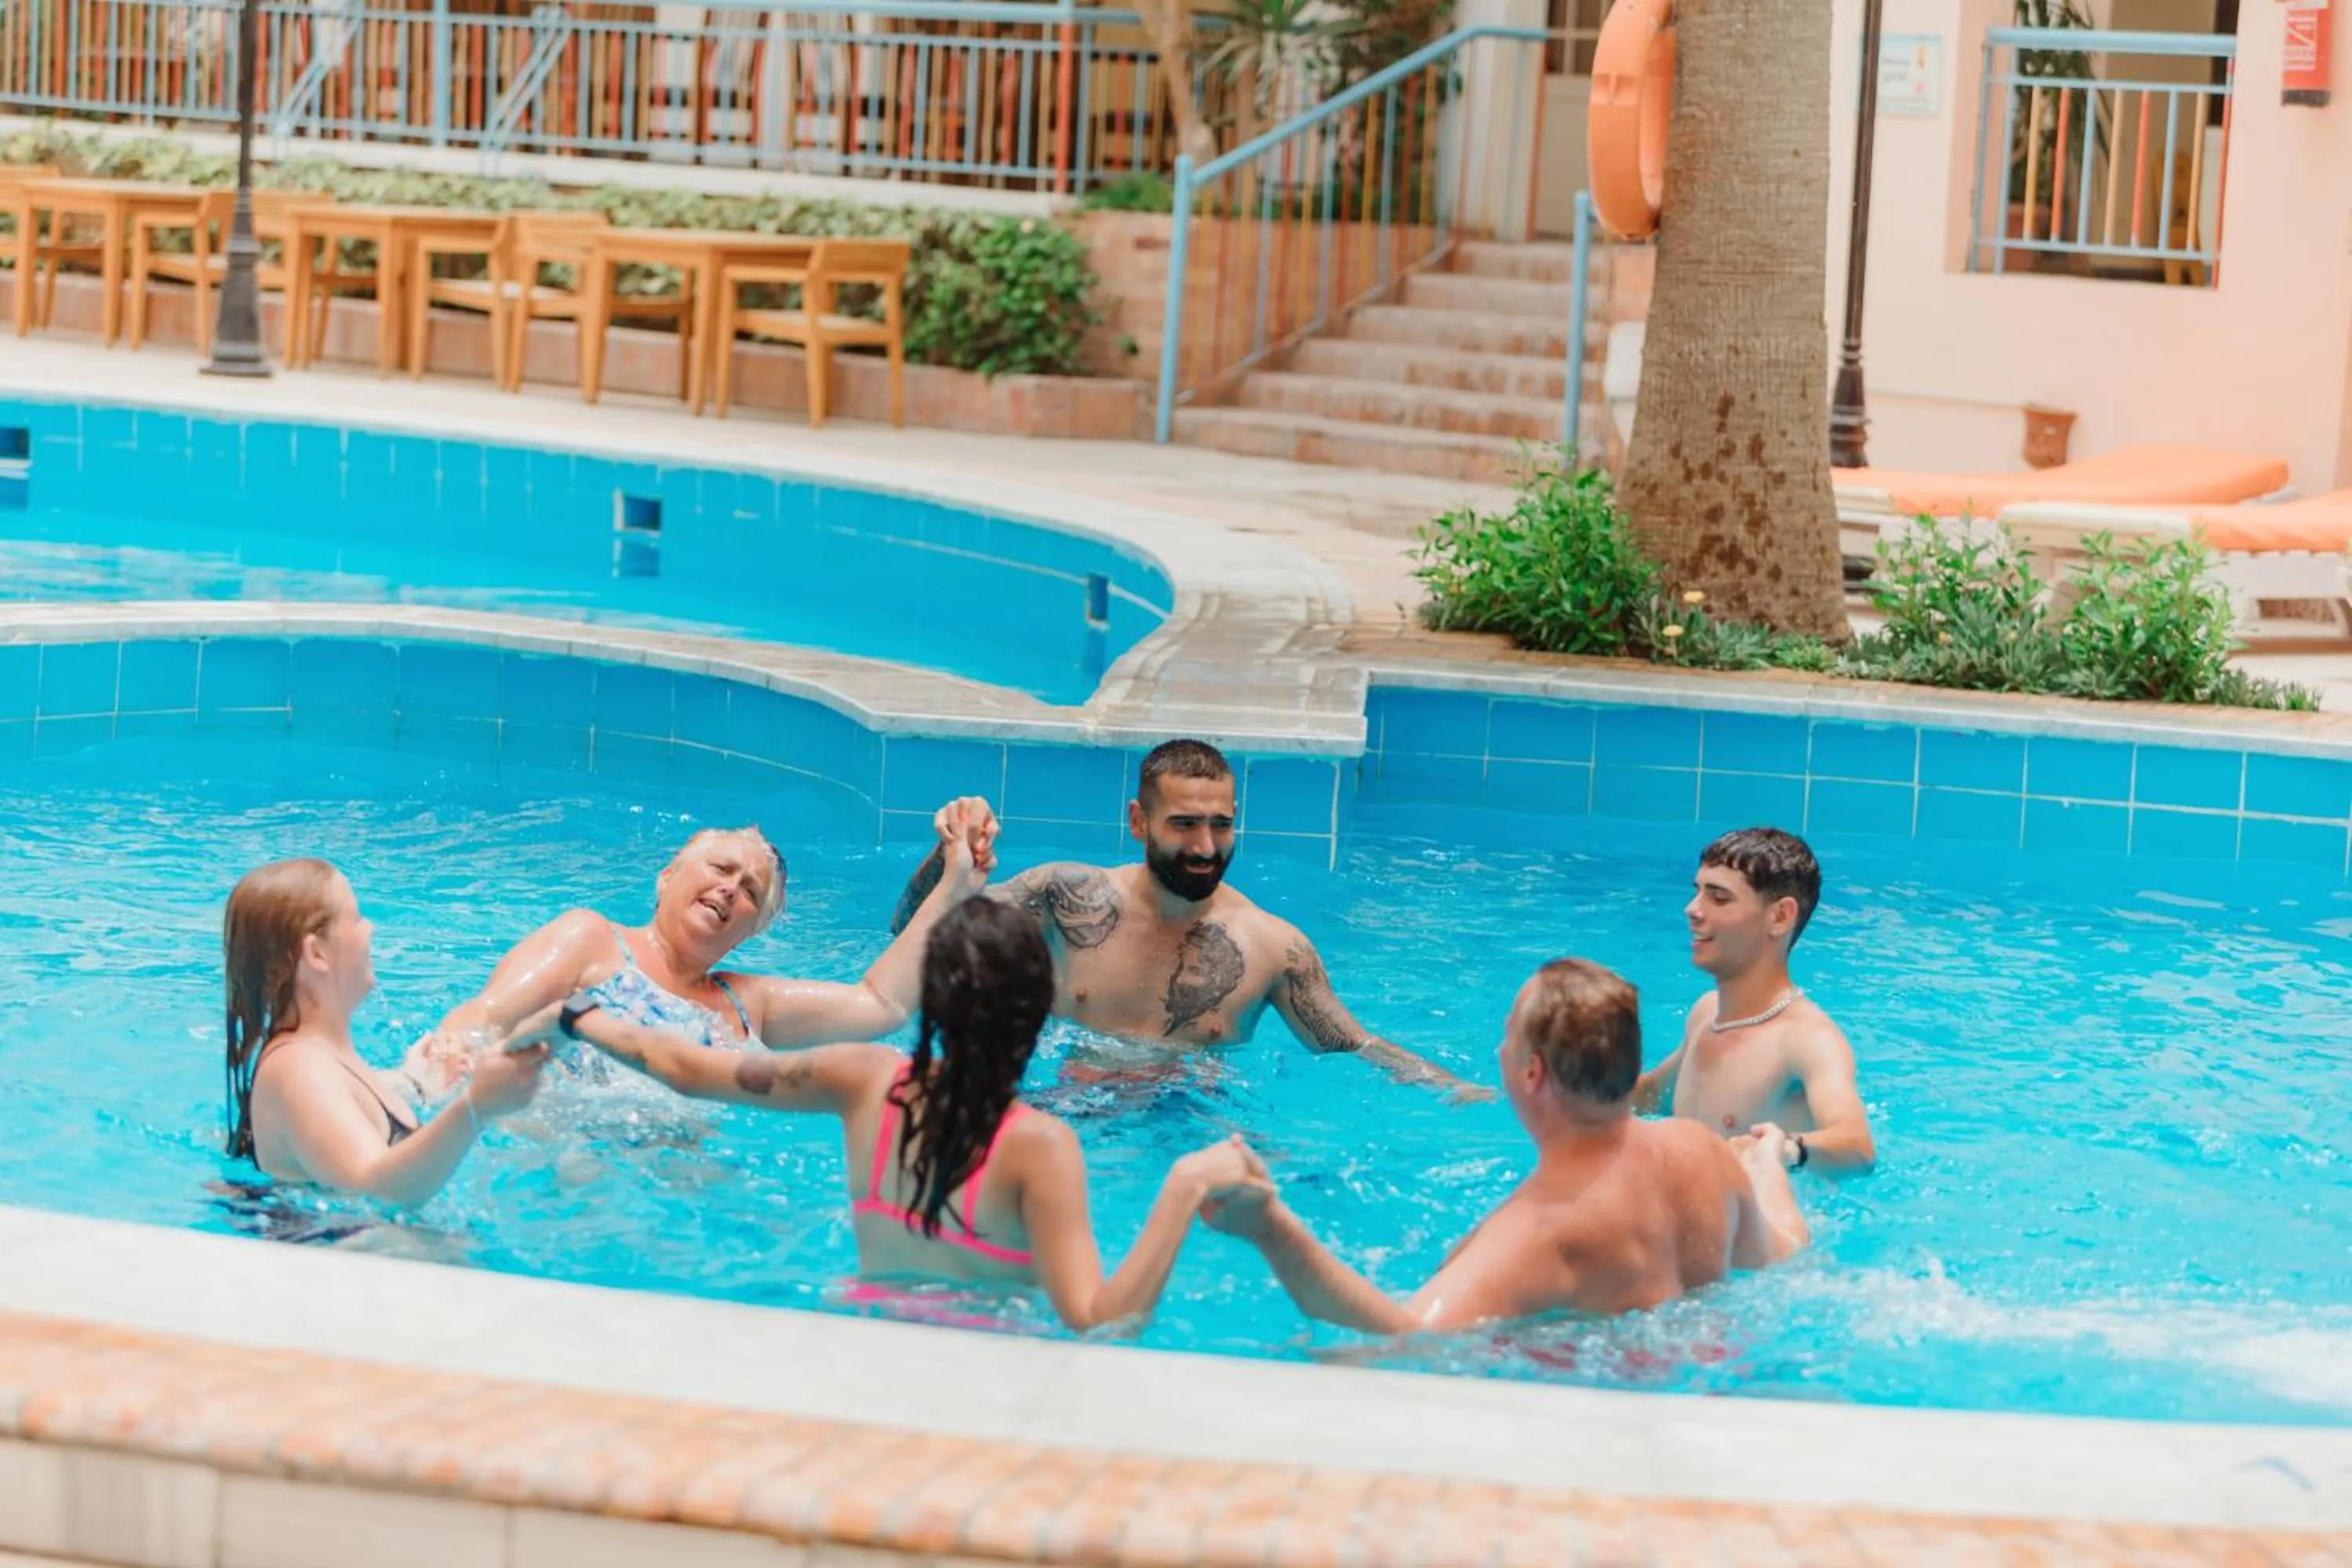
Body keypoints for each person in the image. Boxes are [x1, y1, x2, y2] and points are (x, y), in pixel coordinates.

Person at [532, 881, 1257, 1331]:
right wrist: (1184, 1188)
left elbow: (688, 1069)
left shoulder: (864, 1081)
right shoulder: (1040, 1145)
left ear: (934, 1001)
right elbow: (1097, 1319)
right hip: (982, 1374)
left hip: (864, 1334)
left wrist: (577, 1019)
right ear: (1039, 1010)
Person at [1198, 957, 1810, 1331]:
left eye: (1507, 1038)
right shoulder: (1701, 1150)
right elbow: (1786, 1250)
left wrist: (1272, 1226)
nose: (1498, 1051)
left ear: (1531, 1074)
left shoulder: (1538, 1231)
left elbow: (1403, 1335)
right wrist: (1767, 1164)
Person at [887, 739, 1486, 1099]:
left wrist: (1452, 1090)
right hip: (1061, 1103)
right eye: (1184, 825)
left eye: (1221, 825)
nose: (1205, 847)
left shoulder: (1275, 948)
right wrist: (950, 861)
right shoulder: (1064, 897)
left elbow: (1352, 1049)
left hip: (1189, 1123)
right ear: (1139, 821)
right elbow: (911, 936)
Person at [420, 818, 970, 1091]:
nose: (732, 889)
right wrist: (434, 1070)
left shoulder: (746, 1003)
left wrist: (959, 877)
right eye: (720, 869)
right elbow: (489, 1016)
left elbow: (882, 1004)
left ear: (753, 929)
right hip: (562, 1153)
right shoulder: (591, 939)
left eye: (751, 891)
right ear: (667, 878)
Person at [223, 858, 547, 1206]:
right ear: (316, 952)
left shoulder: (317, 1058)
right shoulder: (297, 1068)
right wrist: (476, 1107)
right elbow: (375, 1190)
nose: (370, 929)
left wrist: (419, 1083)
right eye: (357, 917)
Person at [1632, 829, 1876, 1174]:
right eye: (1697, 892)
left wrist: (1785, 1149)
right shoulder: (1707, 1011)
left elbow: (1857, 1148)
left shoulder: (1807, 1040)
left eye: (1718, 898)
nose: (1692, 910)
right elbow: (1653, 1095)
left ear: (1780, 917)